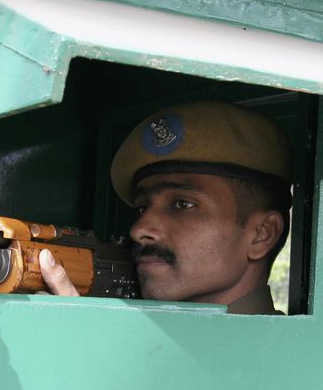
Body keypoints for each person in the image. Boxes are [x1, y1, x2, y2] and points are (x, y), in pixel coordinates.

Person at [38, 101, 293, 315]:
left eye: (182, 204)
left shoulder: (292, 364)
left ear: (262, 234)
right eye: (142, 207)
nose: (139, 230)